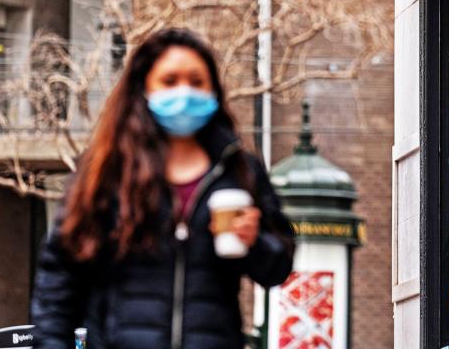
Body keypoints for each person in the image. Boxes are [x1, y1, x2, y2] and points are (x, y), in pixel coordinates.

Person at [31, 28, 294, 349]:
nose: (184, 92)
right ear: (144, 88)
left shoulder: (239, 169)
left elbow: (278, 268)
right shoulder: (108, 170)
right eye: (170, 81)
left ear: (213, 89)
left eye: (197, 82)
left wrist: (255, 242)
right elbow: (59, 279)